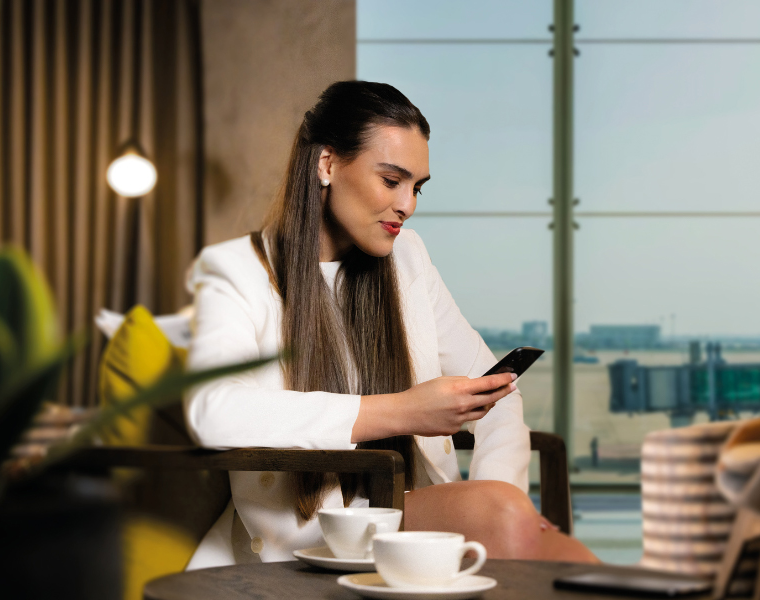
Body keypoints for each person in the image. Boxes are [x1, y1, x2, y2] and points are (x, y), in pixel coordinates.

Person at [183, 80, 597, 568]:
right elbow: (212, 409)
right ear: (327, 164)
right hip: (311, 533)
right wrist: (399, 411)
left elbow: (498, 391)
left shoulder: (409, 260)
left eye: (417, 187)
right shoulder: (237, 270)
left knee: (573, 560)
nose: (408, 205)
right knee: (510, 523)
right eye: (391, 180)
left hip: (406, 514)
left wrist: (501, 494)